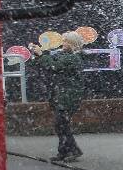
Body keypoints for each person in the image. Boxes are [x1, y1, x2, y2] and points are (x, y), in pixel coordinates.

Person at [28, 32, 85, 162]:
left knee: (61, 124)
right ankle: (65, 151)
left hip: (70, 96)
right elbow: (49, 62)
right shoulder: (63, 54)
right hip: (62, 95)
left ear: (73, 44)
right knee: (61, 125)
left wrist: (41, 55)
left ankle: (72, 151)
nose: (63, 43)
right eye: (63, 40)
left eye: (66, 41)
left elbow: (55, 66)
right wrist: (37, 54)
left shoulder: (75, 58)